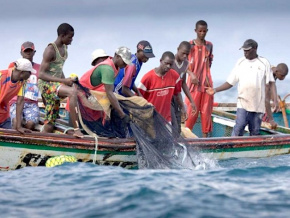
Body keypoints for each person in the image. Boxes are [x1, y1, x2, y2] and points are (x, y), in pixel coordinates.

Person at [206, 39, 276, 136]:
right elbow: (230, 82)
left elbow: (271, 83)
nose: (245, 53)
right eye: (244, 50)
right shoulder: (240, 62)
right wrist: (215, 90)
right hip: (243, 102)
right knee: (239, 126)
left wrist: (275, 100)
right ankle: (232, 147)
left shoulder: (264, 63)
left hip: (258, 105)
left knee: (255, 131)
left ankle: (252, 149)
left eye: (247, 50)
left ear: (255, 49)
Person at [38, 23, 83, 138]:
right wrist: (62, 81)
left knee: (49, 124)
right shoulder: (50, 50)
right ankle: (77, 129)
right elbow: (41, 74)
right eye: (70, 37)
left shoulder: (65, 47)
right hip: (45, 85)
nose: (71, 40)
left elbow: (58, 69)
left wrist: (65, 80)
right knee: (72, 92)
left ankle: (40, 142)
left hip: (55, 84)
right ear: (62, 36)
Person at [77, 46, 132, 137]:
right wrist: (122, 114)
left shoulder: (116, 67)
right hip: (82, 99)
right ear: (117, 56)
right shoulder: (107, 69)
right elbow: (109, 93)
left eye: (127, 63)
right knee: (91, 130)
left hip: (94, 100)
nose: (125, 65)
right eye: (124, 61)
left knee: (101, 127)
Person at [185, 20, 214, 138]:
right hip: (193, 85)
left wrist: (205, 75)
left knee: (206, 112)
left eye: (204, 31)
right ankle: (186, 137)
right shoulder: (189, 45)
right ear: (195, 31)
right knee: (191, 110)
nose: (202, 33)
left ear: (207, 31)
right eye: (200, 31)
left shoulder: (209, 45)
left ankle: (205, 139)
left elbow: (209, 62)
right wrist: (191, 74)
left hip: (207, 84)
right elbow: (181, 63)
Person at [138, 51, 182, 124]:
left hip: (166, 121)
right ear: (161, 61)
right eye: (166, 63)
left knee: (169, 134)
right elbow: (138, 98)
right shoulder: (148, 77)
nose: (168, 66)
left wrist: (183, 107)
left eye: (171, 64)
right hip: (150, 120)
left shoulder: (175, 76)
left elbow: (177, 93)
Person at [8, 41, 40, 131]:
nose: (28, 53)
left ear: (34, 52)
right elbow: (8, 84)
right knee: (16, 122)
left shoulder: (40, 68)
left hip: (32, 103)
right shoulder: (14, 65)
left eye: (30, 50)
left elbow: (43, 86)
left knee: (30, 125)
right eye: (26, 51)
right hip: (15, 101)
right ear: (21, 52)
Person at [0, 58, 35, 133]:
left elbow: (20, 101)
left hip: (3, 116)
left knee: (8, 139)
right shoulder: (1, 76)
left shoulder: (23, 81)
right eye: (29, 72)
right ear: (22, 72)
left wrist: (19, 127)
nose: (30, 75)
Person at [171, 41, 197, 135]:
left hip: (177, 96)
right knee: (172, 124)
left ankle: (177, 147)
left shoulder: (186, 63)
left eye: (187, 54)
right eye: (183, 53)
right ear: (178, 50)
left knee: (178, 126)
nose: (185, 56)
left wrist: (192, 101)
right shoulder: (170, 61)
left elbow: (183, 84)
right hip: (168, 97)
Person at [263, 63, 288, 127]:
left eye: (285, 76)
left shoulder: (274, 73)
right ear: (277, 72)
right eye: (282, 75)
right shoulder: (267, 74)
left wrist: (276, 100)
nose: (283, 78)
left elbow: (272, 89)